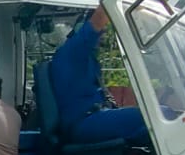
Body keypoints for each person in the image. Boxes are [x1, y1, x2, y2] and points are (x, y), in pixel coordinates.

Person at [47, 8, 147, 144]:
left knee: (152, 119)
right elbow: (99, 17)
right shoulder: (75, 49)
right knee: (148, 118)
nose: (103, 34)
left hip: (91, 117)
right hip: (82, 122)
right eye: (102, 31)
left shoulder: (84, 57)